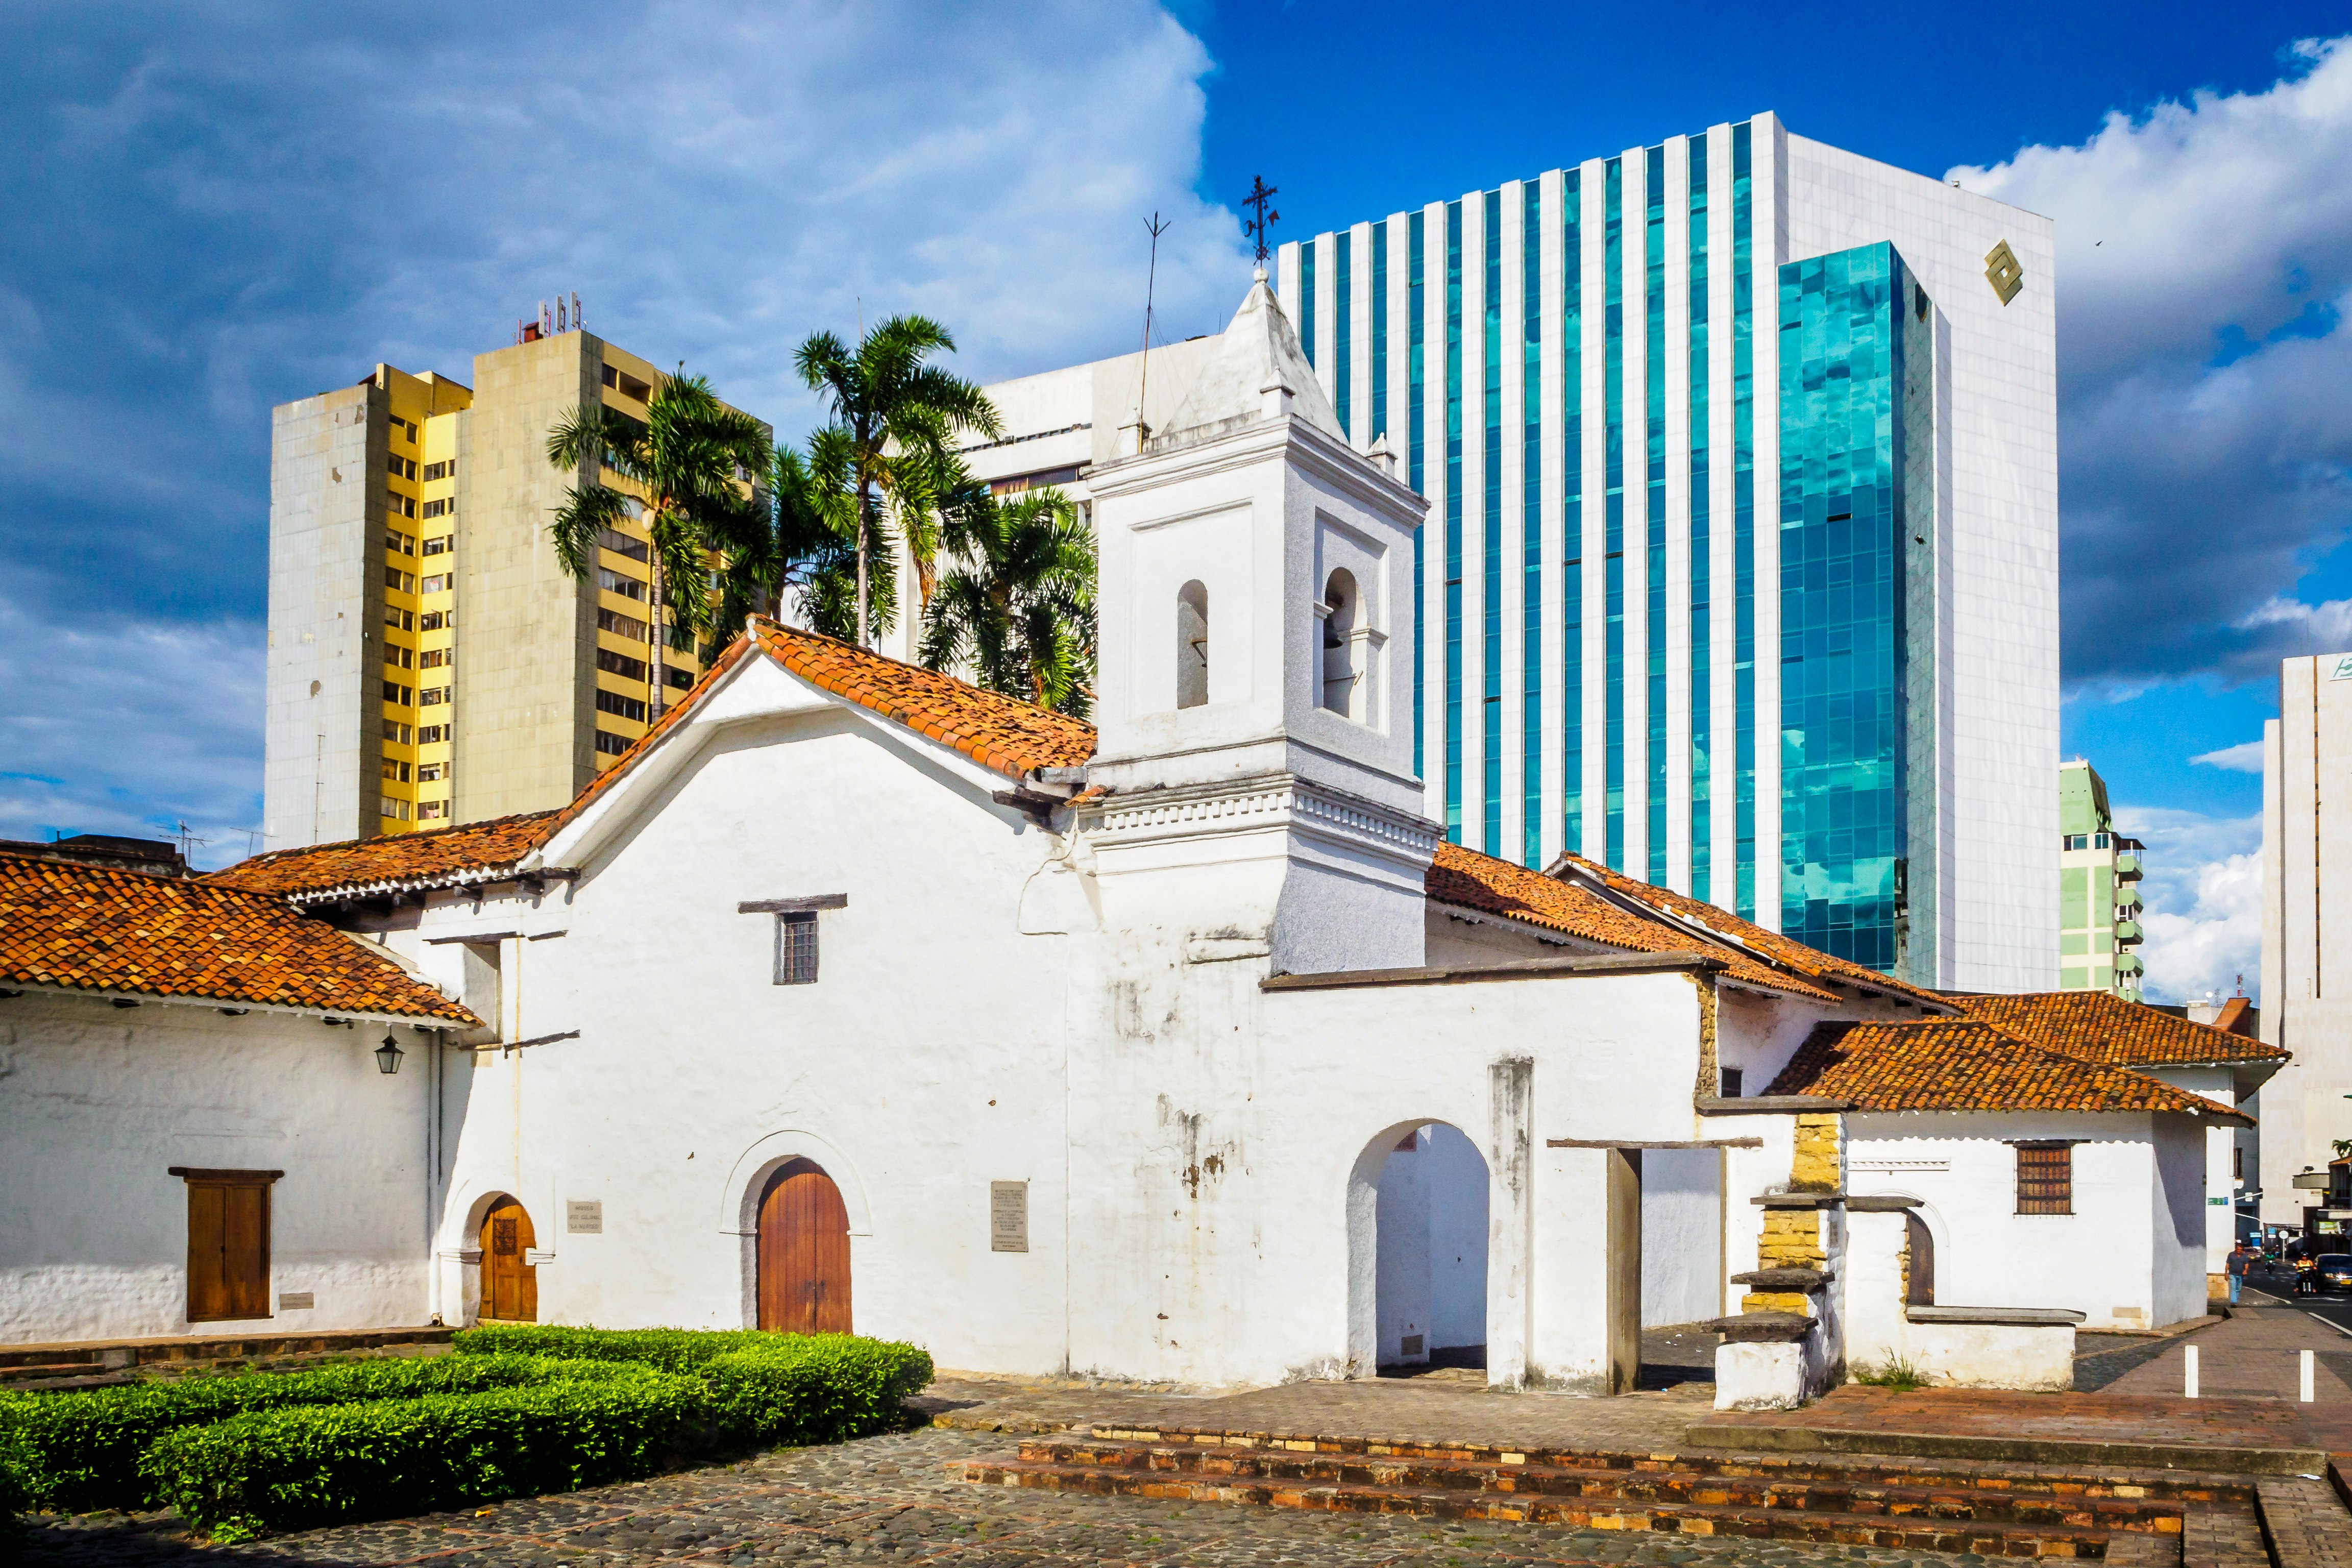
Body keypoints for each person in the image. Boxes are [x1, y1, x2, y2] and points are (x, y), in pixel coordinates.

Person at [2226, 1242, 2253, 1306]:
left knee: (2238, 1289)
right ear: (2236, 1249)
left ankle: (2236, 1301)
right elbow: (2227, 1265)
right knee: (2233, 1288)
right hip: (2232, 1274)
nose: (2239, 1251)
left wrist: (2246, 1270)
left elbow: (2246, 1265)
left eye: (2241, 1250)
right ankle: (2233, 1302)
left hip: (2240, 1275)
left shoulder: (2244, 1257)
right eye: (2238, 1250)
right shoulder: (2231, 1255)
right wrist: (2226, 1273)